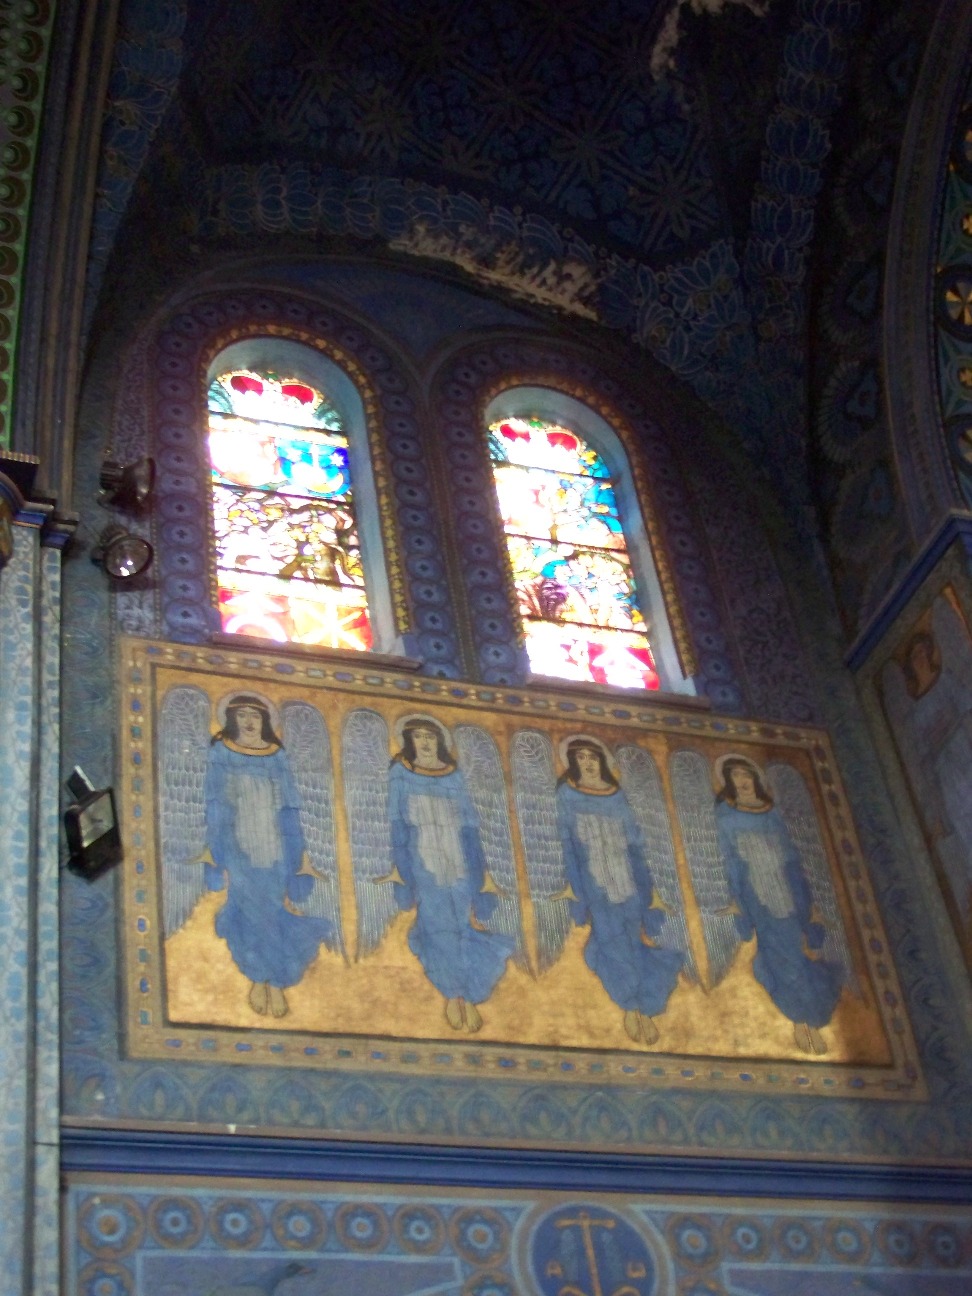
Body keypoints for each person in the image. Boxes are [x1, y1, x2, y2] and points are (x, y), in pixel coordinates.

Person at [202, 693, 333, 1017]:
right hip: (238, 849)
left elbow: (290, 810)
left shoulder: (277, 757)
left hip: (274, 850)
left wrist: (299, 858)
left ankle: (274, 980)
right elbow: (215, 806)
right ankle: (258, 977)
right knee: (248, 913)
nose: (249, 721)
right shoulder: (221, 753)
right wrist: (216, 856)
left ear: (264, 721)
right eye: (242, 715)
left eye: (255, 716)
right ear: (232, 719)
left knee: (272, 913)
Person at [386, 716, 513, 1032]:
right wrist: (402, 874)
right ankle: (453, 993)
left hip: (458, 865)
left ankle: (467, 993)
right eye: (418, 737)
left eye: (430, 737)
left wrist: (481, 877)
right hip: (423, 865)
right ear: (409, 741)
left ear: (439, 741)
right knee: (436, 928)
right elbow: (396, 826)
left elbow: (470, 830)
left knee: (461, 928)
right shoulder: (400, 774)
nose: (425, 742)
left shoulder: (455, 776)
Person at [556, 736, 683, 1046]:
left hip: (628, 883)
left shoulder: (618, 796)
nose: (587, 763)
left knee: (632, 942)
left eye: (592, 757)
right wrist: (576, 893)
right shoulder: (566, 795)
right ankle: (630, 1005)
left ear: (601, 761)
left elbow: (637, 847)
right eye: (581, 757)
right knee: (611, 942)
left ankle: (643, 1002)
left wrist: (649, 891)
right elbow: (566, 846)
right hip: (594, 884)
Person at [712, 755, 841, 1055]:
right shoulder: (725, 817)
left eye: (746, 775)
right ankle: (800, 1020)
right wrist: (734, 899)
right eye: (735, 776)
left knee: (794, 953)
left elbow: (794, 859)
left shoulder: (774, 814)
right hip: (757, 894)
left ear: (755, 779)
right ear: (728, 782)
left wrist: (809, 903)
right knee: (778, 955)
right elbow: (728, 861)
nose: (742, 781)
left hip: (788, 891)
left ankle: (807, 1016)